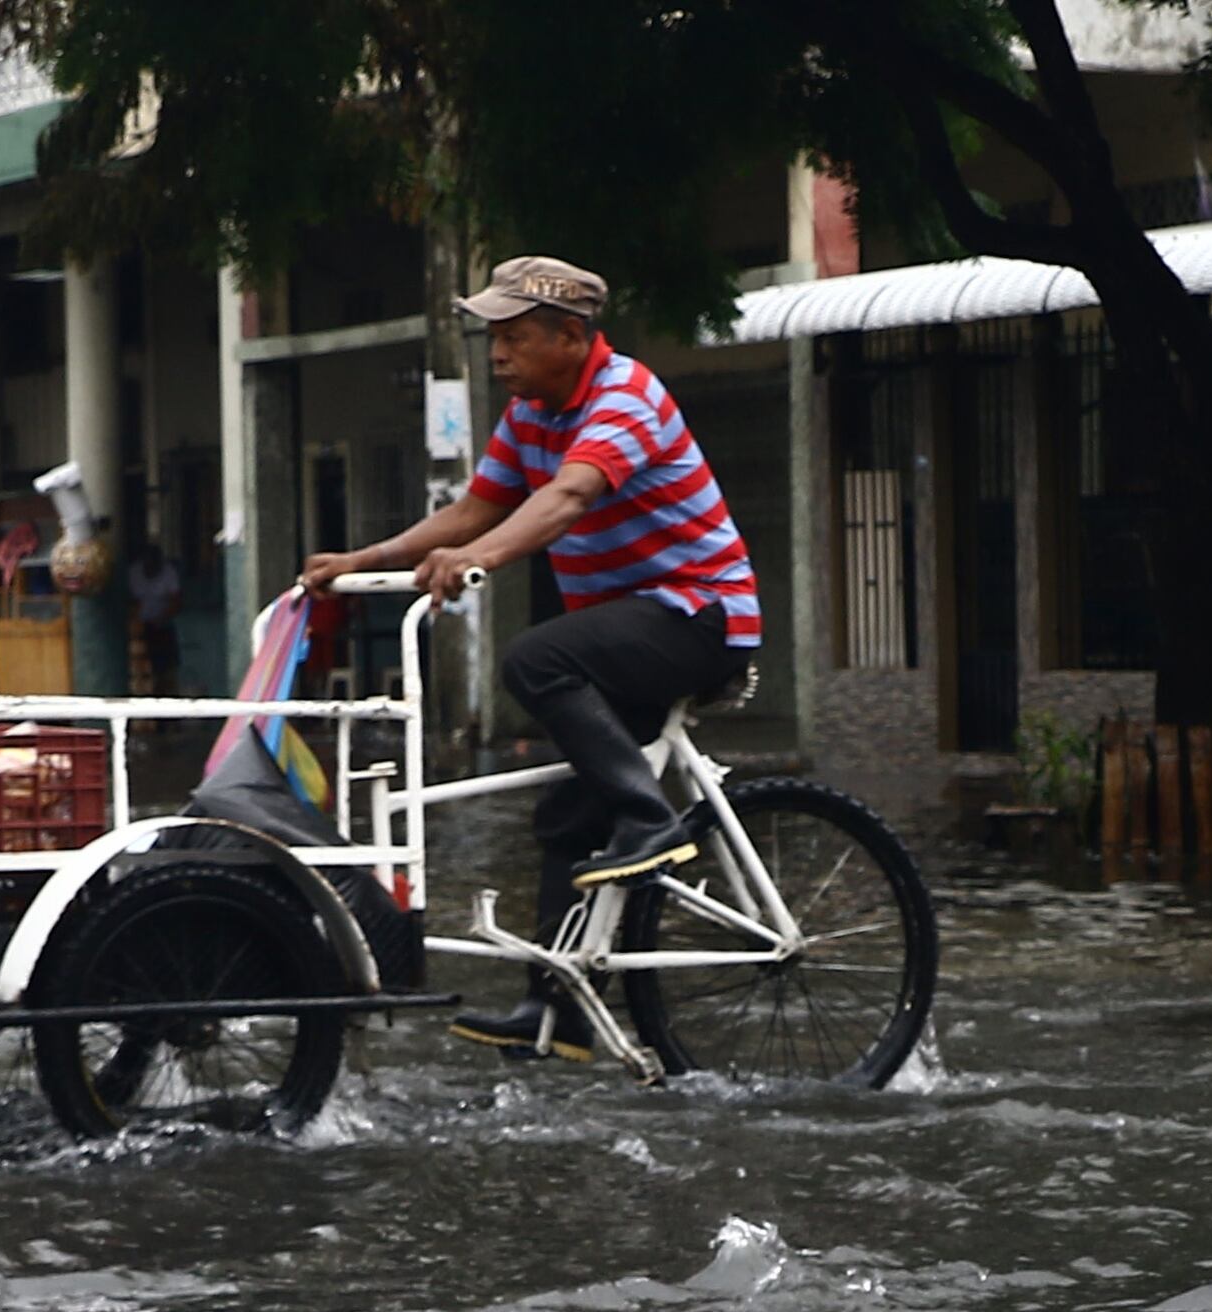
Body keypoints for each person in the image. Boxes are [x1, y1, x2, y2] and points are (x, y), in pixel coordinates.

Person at [299, 254, 760, 1057]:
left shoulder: (624, 395)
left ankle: (651, 819)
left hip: (698, 615)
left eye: (514, 337)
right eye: (495, 339)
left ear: (572, 338)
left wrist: (480, 561)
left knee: (536, 658)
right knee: (565, 817)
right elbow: (477, 506)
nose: (499, 355)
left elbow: (568, 496)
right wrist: (364, 559)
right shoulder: (530, 416)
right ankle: (560, 1010)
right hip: (626, 632)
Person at [127, 542, 185, 697]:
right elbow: (131, 601)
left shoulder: (168, 572)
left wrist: (162, 618)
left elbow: (176, 600)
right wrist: (135, 621)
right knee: (141, 667)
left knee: (166, 668)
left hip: (162, 625)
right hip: (141, 626)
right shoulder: (135, 573)